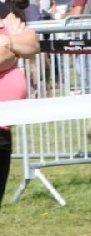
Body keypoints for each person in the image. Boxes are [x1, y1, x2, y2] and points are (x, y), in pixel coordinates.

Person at [1, 0, 39, 216]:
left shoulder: (4, 12)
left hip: (4, 126)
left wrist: (6, 41)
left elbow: (32, 43)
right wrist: (11, 46)